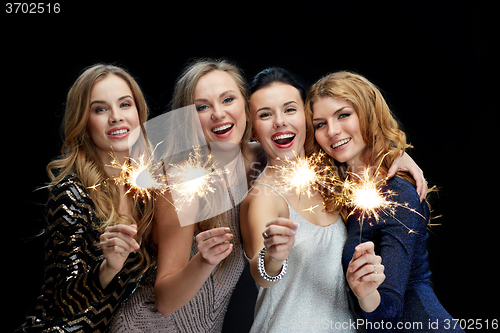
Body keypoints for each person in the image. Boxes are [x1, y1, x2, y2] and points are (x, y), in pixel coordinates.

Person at [307, 71, 463, 332]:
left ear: (368, 114)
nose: (332, 131)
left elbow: (389, 310)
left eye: (343, 115)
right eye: (320, 124)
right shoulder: (339, 187)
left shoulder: (397, 192)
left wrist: (365, 293)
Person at [109, 59, 256, 333]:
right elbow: (165, 301)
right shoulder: (183, 181)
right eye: (202, 106)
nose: (218, 113)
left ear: (245, 104)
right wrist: (204, 260)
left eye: (228, 99)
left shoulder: (256, 158)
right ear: (188, 119)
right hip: (150, 326)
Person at [240, 67, 389, 333]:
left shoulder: (328, 177)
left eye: (289, 109)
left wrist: (399, 158)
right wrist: (272, 257)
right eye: (265, 114)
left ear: (307, 119)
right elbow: (261, 275)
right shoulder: (263, 197)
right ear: (252, 130)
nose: (280, 122)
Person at [15, 64, 155, 332]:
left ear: (139, 112)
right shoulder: (71, 192)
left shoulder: (147, 189)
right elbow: (64, 301)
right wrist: (108, 267)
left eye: (125, 105)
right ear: (84, 122)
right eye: (100, 109)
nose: (116, 117)